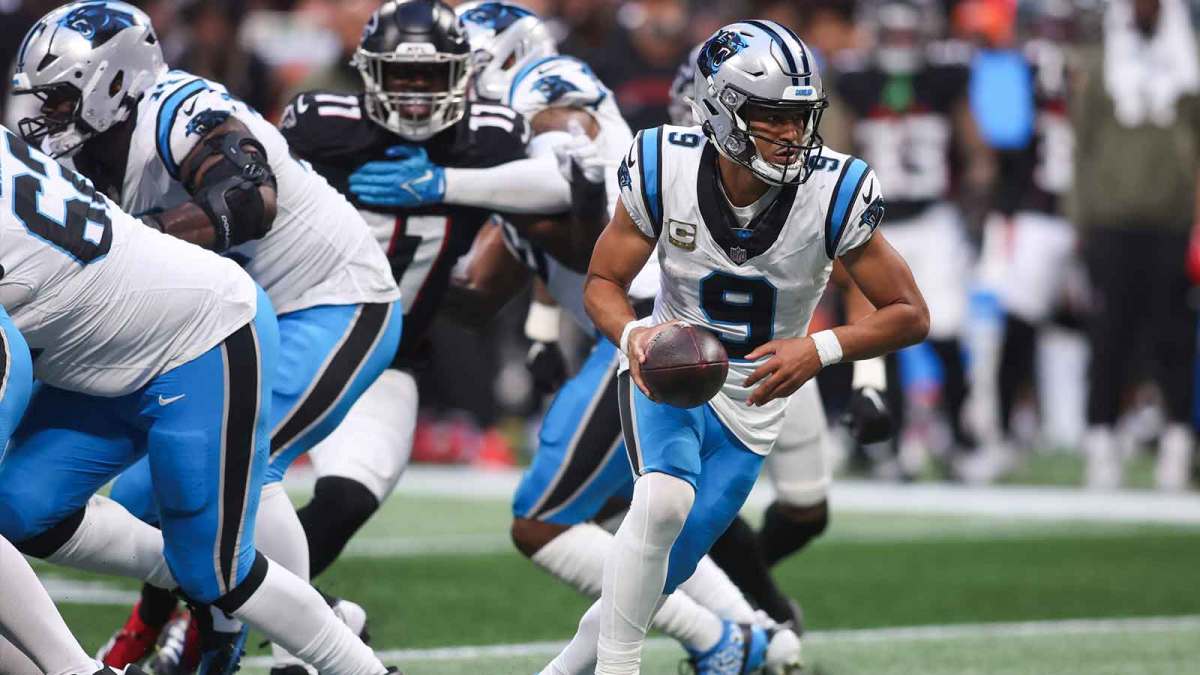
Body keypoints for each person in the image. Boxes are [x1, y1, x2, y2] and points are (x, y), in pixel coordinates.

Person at [11, 2, 402, 670]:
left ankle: (295, 650)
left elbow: (248, 196)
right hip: (193, 327)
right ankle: (287, 617)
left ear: (112, 83)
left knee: (252, 465)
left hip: (329, 297)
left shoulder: (174, 107)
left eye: (58, 99)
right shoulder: (75, 156)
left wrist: (141, 243)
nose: (39, 118)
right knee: (143, 494)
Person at [541, 20, 929, 674]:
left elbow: (910, 313)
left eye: (802, 117)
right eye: (772, 116)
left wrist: (822, 349)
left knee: (668, 567)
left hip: (756, 400)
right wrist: (636, 335)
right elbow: (603, 282)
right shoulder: (665, 163)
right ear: (721, 110)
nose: (791, 134)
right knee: (660, 503)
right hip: (671, 369)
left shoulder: (833, 189)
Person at [279, 0, 576, 581]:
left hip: (387, 361)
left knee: (346, 502)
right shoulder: (320, 124)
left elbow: (562, 185)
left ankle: (272, 636)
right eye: (402, 75)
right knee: (217, 497)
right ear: (368, 72)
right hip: (292, 345)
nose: (415, 93)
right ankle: (177, 630)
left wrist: (447, 181)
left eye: (431, 74)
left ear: (462, 74)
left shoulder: (487, 138)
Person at [834, 0, 992, 476]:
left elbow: (977, 152)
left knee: (946, 332)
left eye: (908, 36)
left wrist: (975, 214)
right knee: (883, 338)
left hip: (933, 220)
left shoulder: (945, 78)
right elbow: (838, 155)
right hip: (876, 225)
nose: (902, 46)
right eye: (893, 36)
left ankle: (957, 434)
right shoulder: (854, 83)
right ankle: (893, 440)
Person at [1076, 0, 1200, 491]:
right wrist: (1079, 221)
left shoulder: (1188, 56)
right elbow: (1081, 144)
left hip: (1172, 220)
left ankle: (1177, 443)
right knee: (1109, 336)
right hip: (1111, 219)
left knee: (1173, 337)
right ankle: (1101, 441)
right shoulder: (1100, 59)